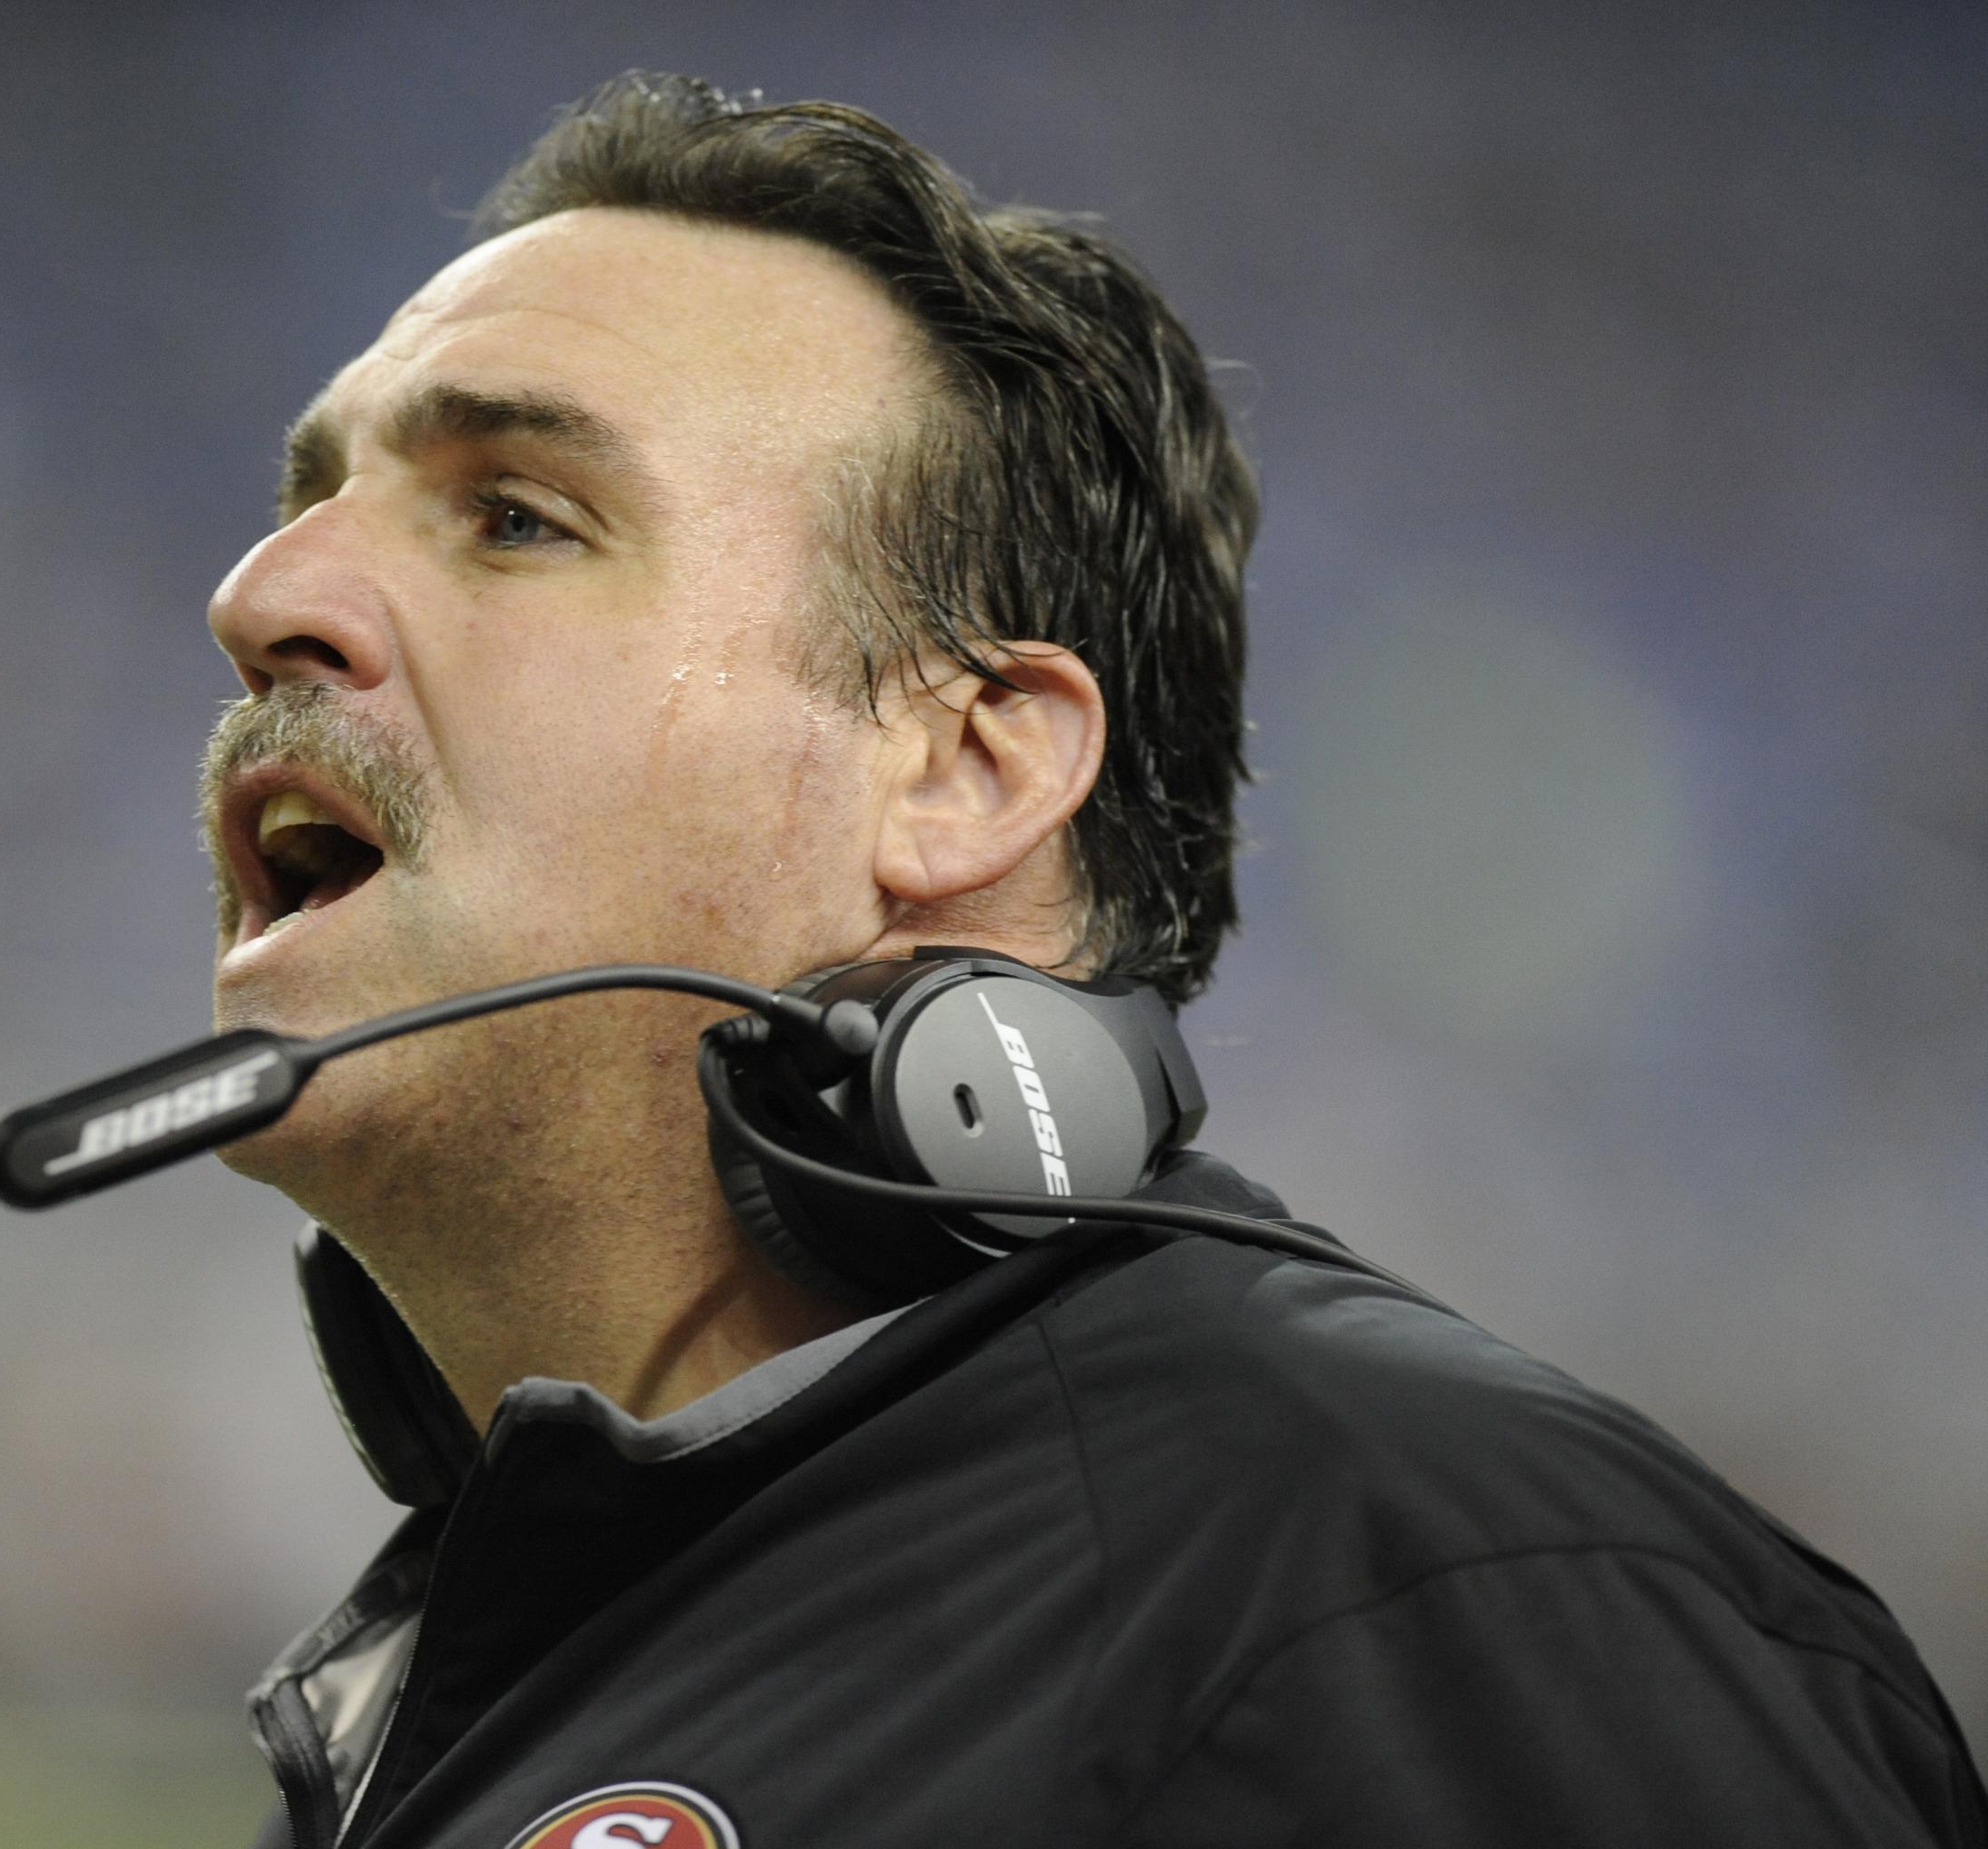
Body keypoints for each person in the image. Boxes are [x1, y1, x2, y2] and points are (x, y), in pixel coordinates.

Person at [192, 73, 1983, 1847]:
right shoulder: (435, 1697)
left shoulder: (1437, 1594)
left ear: (966, 766)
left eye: (516, 512)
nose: (264, 591)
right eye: (315, 498)